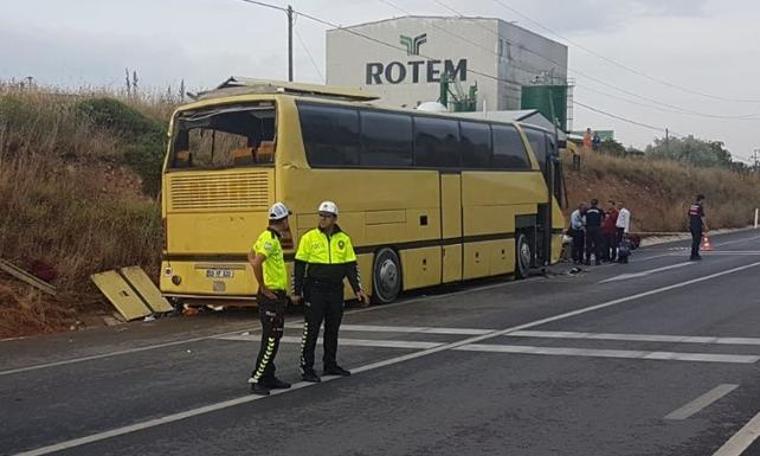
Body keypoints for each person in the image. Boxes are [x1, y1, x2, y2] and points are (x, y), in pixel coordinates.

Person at [293, 201, 369, 383]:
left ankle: (330, 363)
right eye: (320, 215)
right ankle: (307, 367)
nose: (322, 219)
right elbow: (299, 266)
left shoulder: (343, 239)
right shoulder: (309, 238)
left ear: (334, 219)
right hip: (315, 289)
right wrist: (296, 291)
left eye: (326, 216)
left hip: (335, 290)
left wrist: (358, 290)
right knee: (311, 329)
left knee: (332, 328)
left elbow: (351, 266)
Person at [247, 202, 293, 396]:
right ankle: (258, 378)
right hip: (271, 296)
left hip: (276, 295)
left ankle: (268, 375)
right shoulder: (270, 240)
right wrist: (264, 287)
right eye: (286, 219)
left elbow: (250, 254)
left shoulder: (268, 237)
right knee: (271, 338)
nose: (288, 223)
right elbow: (256, 262)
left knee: (274, 337)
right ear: (281, 221)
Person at [584, 199, 605, 266]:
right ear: (597, 204)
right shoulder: (600, 211)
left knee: (588, 245)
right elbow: (603, 219)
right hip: (597, 228)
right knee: (597, 245)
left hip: (589, 228)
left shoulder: (587, 211)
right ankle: (597, 261)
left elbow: (584, 220)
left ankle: (588, 260)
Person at [688, 194, 709, 261]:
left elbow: (689, 215)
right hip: (697, 225)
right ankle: (695, 255)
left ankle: (693, 254)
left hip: (692, 225)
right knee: (697, 241)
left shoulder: (692, 206)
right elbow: (702, 217)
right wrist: (705, 226)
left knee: (694, 240)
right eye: (703, 200)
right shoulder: (700, 207)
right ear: (701, 200)